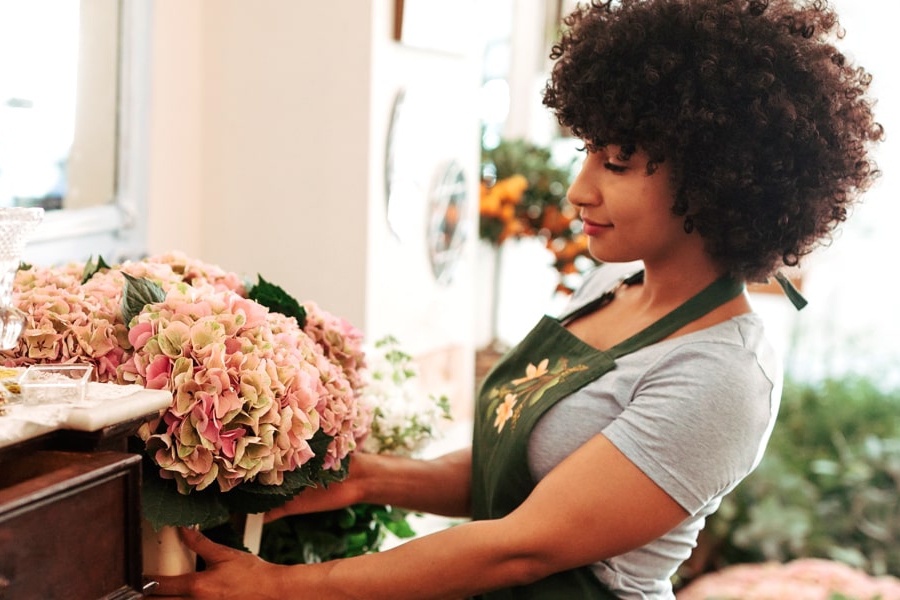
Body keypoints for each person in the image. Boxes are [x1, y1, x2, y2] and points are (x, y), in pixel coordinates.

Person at [150, 0, 882, 598]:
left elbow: (520, 548)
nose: (579, 189)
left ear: (717, 177)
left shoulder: (721, 376)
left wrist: (280, 589)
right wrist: (362, 480)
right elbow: (517, 474)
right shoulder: (610, 285)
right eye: (587, 150)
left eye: (616, 162)